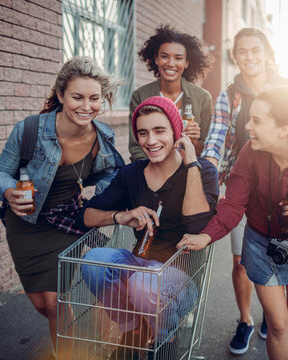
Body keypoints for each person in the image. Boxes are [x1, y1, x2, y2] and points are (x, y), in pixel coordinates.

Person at [178, 87, 288, 360]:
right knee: (278, 325)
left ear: (283, 129)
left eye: (257, 121)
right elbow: (232, 205)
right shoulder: (251, 151)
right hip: (258, 244)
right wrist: (206, 237)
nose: (247, 126)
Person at [0, 56, 125, 356]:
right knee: (42, 304)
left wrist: (95, 196)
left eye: (95, 99)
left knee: (56, 303)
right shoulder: (29, 130)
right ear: (61, 94)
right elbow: (1, 171)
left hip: (67, 222)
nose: (86, 106)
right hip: (24, 226)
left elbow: (111, 172)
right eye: (78, 97)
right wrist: (9, 191)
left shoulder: (102, 138)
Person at [78, 96, 219, 357]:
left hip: (180, 274)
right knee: (93, 261)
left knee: (144, 284)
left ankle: (164, 340)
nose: (151, 141)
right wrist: (122, 216)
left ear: (177, 133)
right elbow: (87, 216)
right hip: (138, 261)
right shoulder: (132, 174)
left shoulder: (203, 172)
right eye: (143, 133)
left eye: (159, 130)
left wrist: (192, 165)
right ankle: (133, 331)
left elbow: (198, 224)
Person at [201, 27, 288, 354]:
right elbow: (216, 139)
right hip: (241, 183)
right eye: (241, 51)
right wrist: (205, 167)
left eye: (255, 50)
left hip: (283, 186)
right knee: (242, 260)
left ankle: (272, 318)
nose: (249, 57)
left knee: (283, 254)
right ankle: (245, 319)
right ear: (235, 56)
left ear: (267, 53)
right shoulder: (230, 96)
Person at [129, 25, 213, 161]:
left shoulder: (202, 98)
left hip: (187, 171)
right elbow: (136, 148)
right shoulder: (140, 96)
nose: (170, 63)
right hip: (151, 173)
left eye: (178, 58)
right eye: (164, 56)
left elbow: (206, 150)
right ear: (156, 59)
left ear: (186, 63)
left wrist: (195, 142)